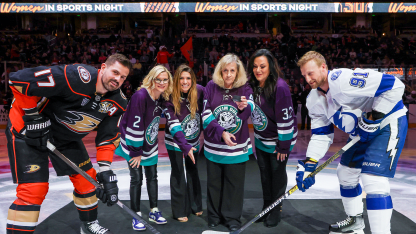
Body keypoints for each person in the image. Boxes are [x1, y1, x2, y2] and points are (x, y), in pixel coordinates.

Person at [6, 53, 131, 234]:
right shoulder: (76, 76)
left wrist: (106, 172)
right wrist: (32, 116)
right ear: (103, 68)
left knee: (88, 181)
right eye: (115, 72)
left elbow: (107, 138)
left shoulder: (118, 102)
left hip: (64, 137)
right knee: (33, 190)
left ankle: (89, 226)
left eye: (123, 77)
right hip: (28, 129)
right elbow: (19, 80)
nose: (117, 79)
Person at [295, 51, 407, 234]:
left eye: (311, 73)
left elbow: (395, 86)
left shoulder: (343, 79)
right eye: (304, 75)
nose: (308, 79)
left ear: (324, 67)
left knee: (373, 180)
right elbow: (321, 134)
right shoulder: (313, 99)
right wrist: (310, 164)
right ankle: (355, 222)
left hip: (387, 122)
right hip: (361, 133)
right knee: (345, 173)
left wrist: (374, 117)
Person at [115, 65, 173, 231]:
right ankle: (136, 213)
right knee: (137, 179)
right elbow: (135, 126)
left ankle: (153, 210)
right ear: (152, 79)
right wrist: (136, 152)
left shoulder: (161, 97)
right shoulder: (141, 96)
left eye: (165, 80)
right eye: (158, 79)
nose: (162, 83)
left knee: (152, 177)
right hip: (134, 145)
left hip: (149, 143)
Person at [201, 54, 254, 231]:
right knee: (214, 183)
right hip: (215, 145)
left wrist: (244, 108)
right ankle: (214, 216)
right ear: (220, 71)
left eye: (232, 71)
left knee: (234, 184)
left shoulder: (244, 88)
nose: (229, 74)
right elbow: (206, 114)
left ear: (237, 72)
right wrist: (221, 132)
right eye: (225, 70)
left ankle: (232, 218)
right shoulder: (211, 87)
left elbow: (250, 109)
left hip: (237, 147)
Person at [248, 49, 297, 227]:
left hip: (279, 141)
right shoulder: (253, 85)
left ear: (271, 67)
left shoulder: (280, 87)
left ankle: (276, 210)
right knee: (265, 176)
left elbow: (286, 118)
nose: (258, 70)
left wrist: (283, 147)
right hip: (262, 139)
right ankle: (266, 208)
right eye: (255, 66)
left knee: (277, 176)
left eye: (262, 66)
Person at [163, 64, 204, 222]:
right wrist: (185, 147)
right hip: (175, 143)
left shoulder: (199, 91)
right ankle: (180, 210)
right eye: (181, 78)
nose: (185, 82)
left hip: (194, 141)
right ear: (176, 80)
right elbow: (173, 125)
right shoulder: (169, 96)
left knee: (193, 171)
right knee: (179, 173)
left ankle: (196, 205)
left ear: (193, 80)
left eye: (188, 78)